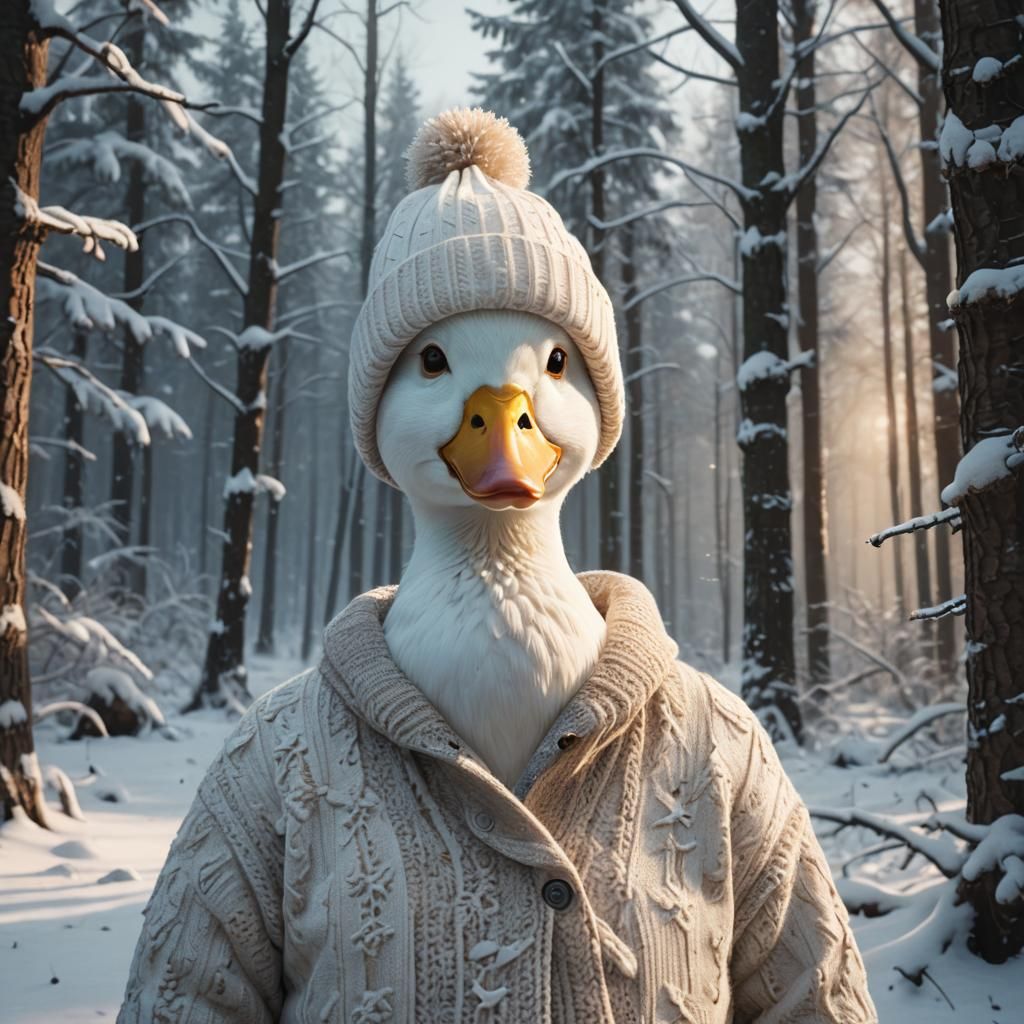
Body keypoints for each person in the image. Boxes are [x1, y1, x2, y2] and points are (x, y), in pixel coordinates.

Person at [118, 107, 877, 1023]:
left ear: (595, 401)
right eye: (435, 363)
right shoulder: (273, 764)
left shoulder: (719, 749)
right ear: (379, 409)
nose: (507, 416)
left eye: (551, 366)